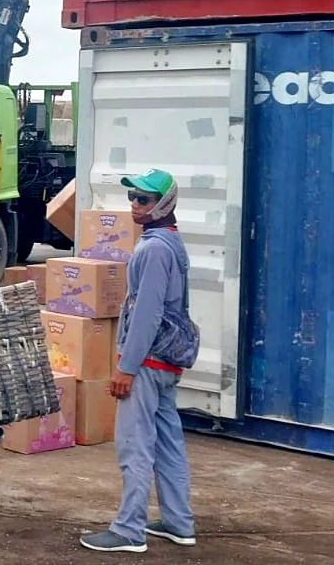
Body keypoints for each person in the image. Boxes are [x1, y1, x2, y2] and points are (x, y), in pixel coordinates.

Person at [80, 168, 197, 554]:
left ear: (163, 204)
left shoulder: (153, 249)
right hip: (165, 362)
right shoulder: (171, 243)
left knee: (134, 444)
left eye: (143, 199)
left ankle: (129, 529)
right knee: (167, 443)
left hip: (146, 363)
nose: (134, 204)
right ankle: (179, 523)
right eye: (133, 197)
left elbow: (145, 313)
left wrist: (125, 368)